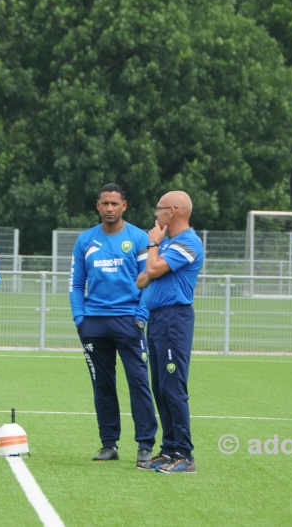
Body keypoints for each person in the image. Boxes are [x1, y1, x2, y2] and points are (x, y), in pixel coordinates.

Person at [69, 183, 157, 465]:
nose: (109, 208)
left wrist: (141, 316)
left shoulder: (139, 238)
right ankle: (109, 444)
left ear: (124, 206)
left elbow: (149, 279)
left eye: (114, 204)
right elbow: (76, 284)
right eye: (104, 203)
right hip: (93, 323)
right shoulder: (85, 240)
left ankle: (145, 445)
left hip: (129, 321)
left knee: (139, 382)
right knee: (102, 385)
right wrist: (80, 319)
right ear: (98, 206)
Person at [135, 190, 203, 473]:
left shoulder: (187, 242)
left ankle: (185, 454)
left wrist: (153, 243)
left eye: (159, 209)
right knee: (161, 387)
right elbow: (142, 280)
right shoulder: (167, 245)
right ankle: (169, 449)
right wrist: (154, 261)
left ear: (172, 211)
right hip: (158, 319)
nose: (155, 214)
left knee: (173, 387)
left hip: (175, 320)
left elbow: (150, 269)